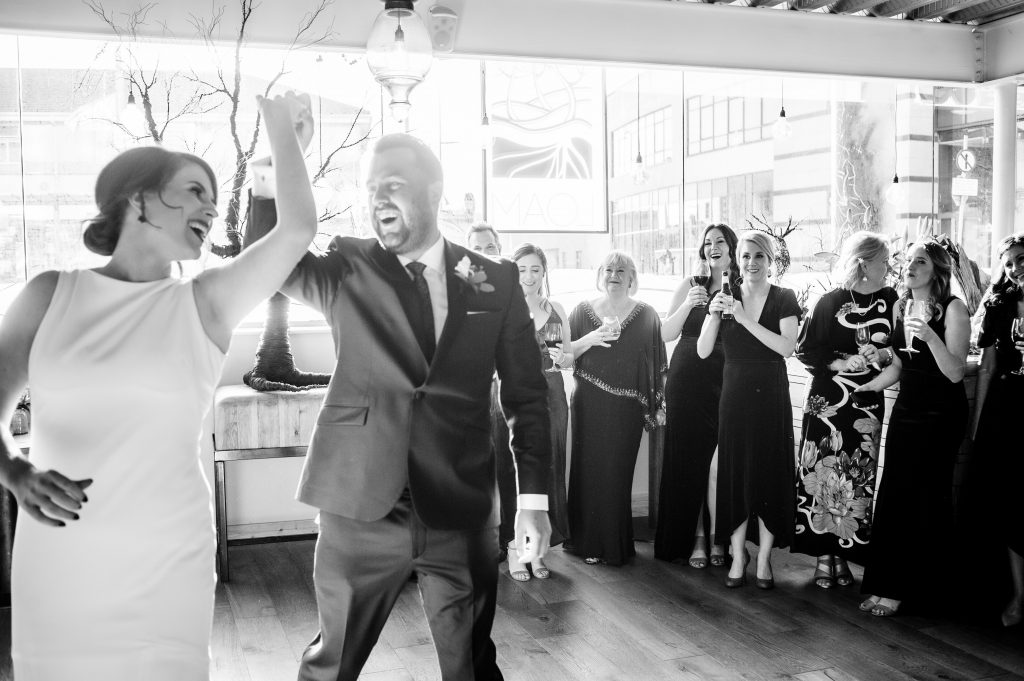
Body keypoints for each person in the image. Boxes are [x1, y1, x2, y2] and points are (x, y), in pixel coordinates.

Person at [0, 93, 317, 680]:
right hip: (61, 556)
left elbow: (297, 229)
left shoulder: (205, 303)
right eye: (195, 190)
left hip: (168, 558)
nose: (209, 209)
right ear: (138, 197)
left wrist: (281, 130)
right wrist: (13, 472)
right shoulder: (49, 294)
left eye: (215, 199)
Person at [246, 132, 552, 681]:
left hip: (459, 506)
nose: (378, 199)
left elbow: (527, 396)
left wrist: (533, 499)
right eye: (370, 189)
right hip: (358, 503)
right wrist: (272, 170)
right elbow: (272, 258)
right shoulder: (347, 266)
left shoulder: (496, 281)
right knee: (330, 666)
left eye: (393, 186)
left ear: (434, 191)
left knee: (472, 667)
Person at [858, 237, 969, 618]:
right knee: (895, 496)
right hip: (907, 409)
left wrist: (931, 336)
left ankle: (914, 590)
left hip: (941, 415)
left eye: (920, 261)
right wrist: (874, 376)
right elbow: (903, 366)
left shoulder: (954, 309)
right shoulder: (901, 305)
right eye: (908, 261)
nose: (910, 266)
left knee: (925, 498)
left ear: (937, 270)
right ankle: (884, 584)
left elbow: (955, 372)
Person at [792, 232, 898, 590]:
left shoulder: (890, 299)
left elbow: (898, 349)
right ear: (864, 263)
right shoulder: (830, 300)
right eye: (884, 260)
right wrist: (839, 362)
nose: (889, 266)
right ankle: (824, 556)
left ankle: (846, 552)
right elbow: (805, 349)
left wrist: (881, 356)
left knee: (858, 476)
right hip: (828, 402)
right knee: (823, 473)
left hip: (868, 400)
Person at [698, 230, 801, 590]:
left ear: (770, 260)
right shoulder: (723, 297)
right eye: (745, 256)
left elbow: (786, 348)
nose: (752, 263)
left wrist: (743, 319)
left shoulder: (784, 298)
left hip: (771, 392)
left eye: (759, 256)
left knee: (770, 471)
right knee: (734, 473)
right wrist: (714, 315)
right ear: (736, 261)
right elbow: (702, 351)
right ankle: (739, 555)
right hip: (736, 393)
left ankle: (765, 558)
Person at [567, 251, 666, 567]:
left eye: (621, 270)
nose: (614, 274)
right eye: (608, 268)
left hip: (626, 409)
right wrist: (591, 338)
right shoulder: (581, 311)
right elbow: (563, 354)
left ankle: (615, 545)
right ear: (600, 273)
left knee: (615, 473)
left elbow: (658, 362)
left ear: (632, 277)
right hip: (588, 402)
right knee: (589, 470)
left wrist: (657, 404)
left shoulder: (647, 313)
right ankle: (586, 542)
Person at [655, 223, 739, 569]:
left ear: (733, 247)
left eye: (720, 241)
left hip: (730, 376)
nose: (713, 247)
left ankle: (724, 537)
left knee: (723, 462)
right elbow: (664, 333)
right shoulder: (691, 285)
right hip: (688, 376)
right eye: (707, 243)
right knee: (689, 459)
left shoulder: (743, 287)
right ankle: (698, 538)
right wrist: (688, 304)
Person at [961, 233, 1024, 626]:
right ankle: (1018, 597)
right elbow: (986, 367)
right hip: (1008, 407)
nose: (1017, 267)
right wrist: (978, 423)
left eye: (1023, 259)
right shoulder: (1000, 306)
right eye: (1010, 262)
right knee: (1011, 502)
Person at [501, 242, 572, 581]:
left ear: (544, 272)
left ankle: (537, 551)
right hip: (516, 394)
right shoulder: (501, 307)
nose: (529, 276)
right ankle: (516, 549)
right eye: (522, 269)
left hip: (553, 392)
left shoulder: (555, 308)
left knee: (549, 469)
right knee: (520, 472)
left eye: (535, 269)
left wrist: (565, 358)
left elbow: (569, 355)